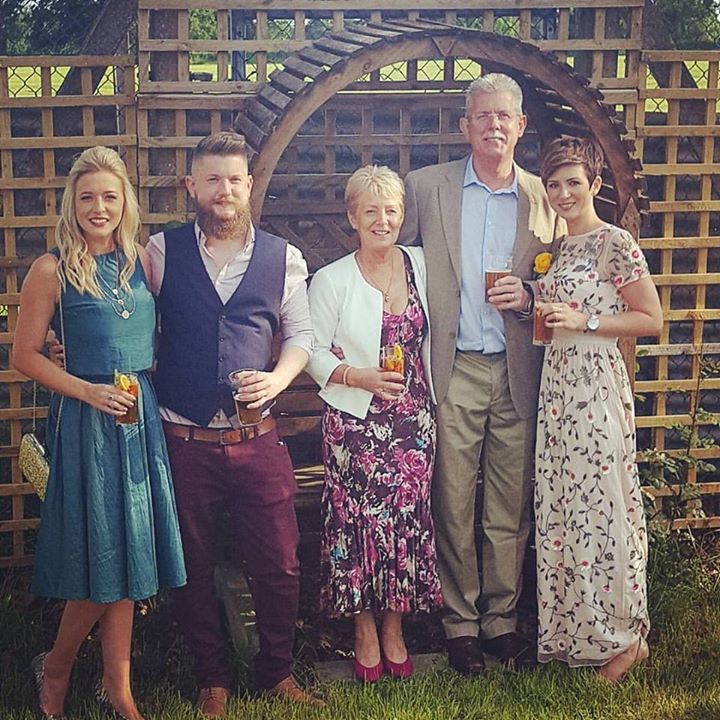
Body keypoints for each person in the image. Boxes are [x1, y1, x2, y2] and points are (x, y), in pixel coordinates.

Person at [145, 131, 320, 716]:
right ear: (192, 186)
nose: (225, 190)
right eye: (213, 179)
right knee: (191, 563)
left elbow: (301, 335)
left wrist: (277, 379)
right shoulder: (160, 253)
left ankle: (276, 672)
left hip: (257, 438)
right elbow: (130, 322)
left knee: (280, 562)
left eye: (235, 180)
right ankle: (211, 677)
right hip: (184, 439)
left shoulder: (282, 257)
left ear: (250, 186)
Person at [398, 73, 565, 674]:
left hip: (519, 367)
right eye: (482, 116)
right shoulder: (426, 187)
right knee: (451, 500)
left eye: (504, 116)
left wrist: (531, 294)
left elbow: (569, 280)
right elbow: (395, 266)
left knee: (508, 505)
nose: (493, 125)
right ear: (465, 125)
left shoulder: (545, 197)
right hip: (455, 365)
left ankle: (501, 622)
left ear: (521, 126)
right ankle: (459, 624)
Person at [13, 146, 187, 720]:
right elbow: (23, 356)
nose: (99, 207)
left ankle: (118, 690)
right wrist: (86, 389)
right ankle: (56, 668)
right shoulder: (51, 269)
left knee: (130, 552)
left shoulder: (141, 262)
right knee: (101, 553)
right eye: (87, 196)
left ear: (125, 203)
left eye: (110, 196)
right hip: (86, 422)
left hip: (137, 420)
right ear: (72, 203)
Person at [307, 165, 443, 682]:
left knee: (405, 522)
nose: (382, 221)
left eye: (391, 211)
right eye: (371, 211)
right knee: (358, 526)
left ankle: (394, 628)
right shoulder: (332, 279)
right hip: (354, 424)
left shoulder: (422, 265)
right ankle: (363, 629)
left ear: (402, 216)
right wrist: (355, 376)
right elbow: (310, 350)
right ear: (353, 217)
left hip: (413, 421)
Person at [534, 137, 661, 681]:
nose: (563, 193)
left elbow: (650, 319)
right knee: (565, 509)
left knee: (604, 507)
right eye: (554, 184)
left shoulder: (616, 242)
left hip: (596, 385)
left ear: (595, 185)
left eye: (573, 183)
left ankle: (627, 638)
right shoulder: (559, 246)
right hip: (557, 385)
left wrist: (585, 322)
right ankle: (580, 635)